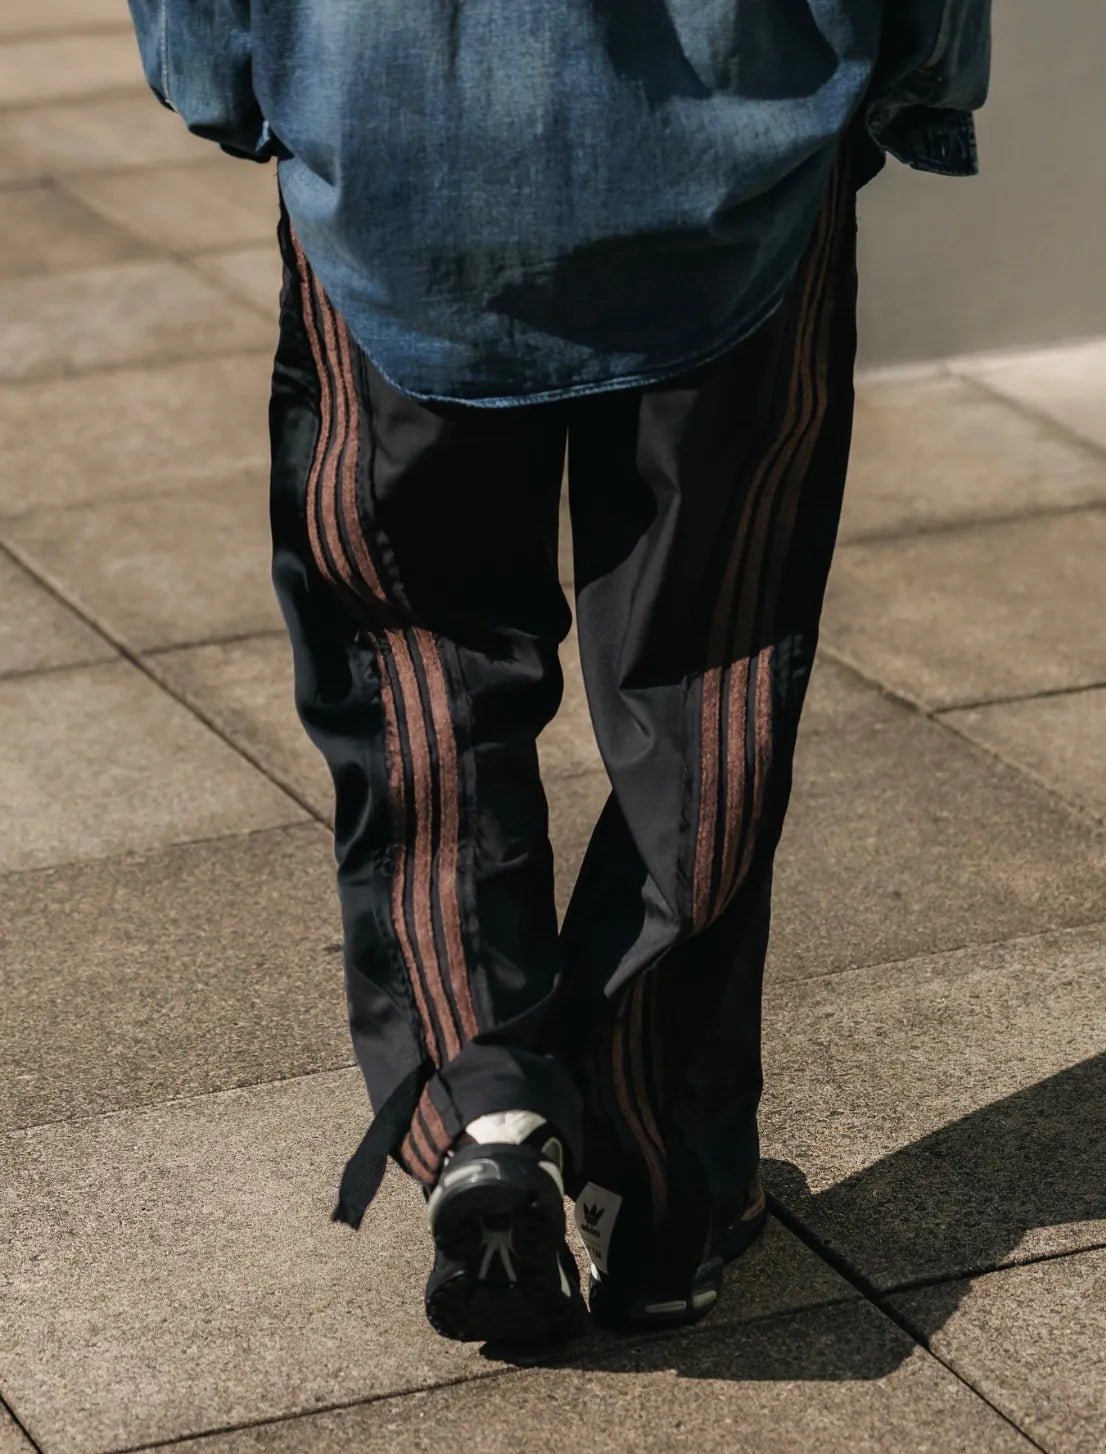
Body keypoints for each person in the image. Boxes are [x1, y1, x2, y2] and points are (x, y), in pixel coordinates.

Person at [128, 0, 991, 1346]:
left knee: (415, 665)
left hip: (388, 126)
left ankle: (493, 1113)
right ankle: (660, 1189)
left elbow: (209, 53)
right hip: (738, 146)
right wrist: (917, 68)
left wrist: (225, 75)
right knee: (710, 678)